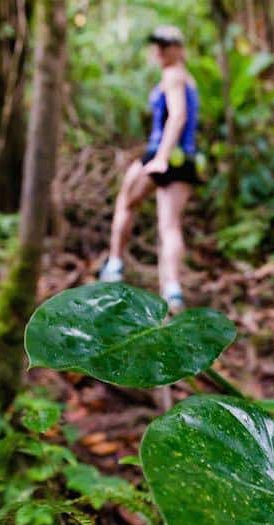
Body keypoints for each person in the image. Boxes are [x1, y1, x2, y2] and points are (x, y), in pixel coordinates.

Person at [99, 25, 201, 312]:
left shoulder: (173, 75)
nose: (160, 50)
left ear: (179, 49)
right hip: (186, 158)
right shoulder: (186, 78)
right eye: (157, 45)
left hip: (164, 153)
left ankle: (115, 265)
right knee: (169, 225)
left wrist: (162, 157)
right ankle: (172, 290)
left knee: (126, 202)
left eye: (166, 45)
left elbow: (178, 115)